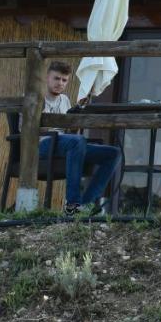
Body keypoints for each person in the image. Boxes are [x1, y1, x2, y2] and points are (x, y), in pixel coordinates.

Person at [41, 60, 122, 216]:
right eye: (56, 78)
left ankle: (87, 204)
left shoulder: (64, 100)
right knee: (77, 141)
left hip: (64, 144)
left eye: (64, 80)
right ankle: (73, 204)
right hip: (41, 144)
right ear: (47, 77)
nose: (60, 83)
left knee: (113, 153)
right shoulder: (35, 98)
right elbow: (26, 130)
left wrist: (75, 116)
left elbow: (68, 132)